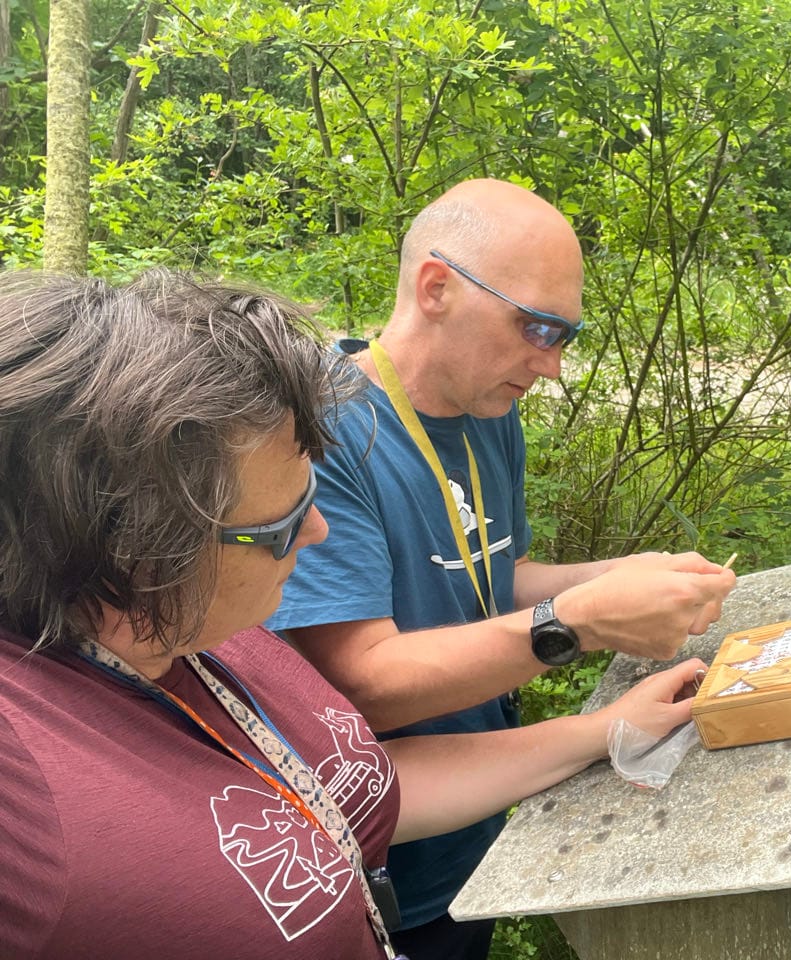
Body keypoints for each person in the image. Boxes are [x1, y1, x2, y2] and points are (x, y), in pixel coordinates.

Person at [0, 270, 707, 960]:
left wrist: (606, 730)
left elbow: (365, 786)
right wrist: (569, 623)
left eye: (309, 497)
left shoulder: (215, 638)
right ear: (131, 544)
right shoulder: (28, 789)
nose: (318, 534)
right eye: (280, 526)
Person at [267, 178, 737, 957]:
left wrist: (624, 574)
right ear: (436, 288)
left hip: (476, 823)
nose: (550, 365)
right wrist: (577, 624)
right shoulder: (322, 430)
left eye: (565, 336)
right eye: (535, 327)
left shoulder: (488, 409)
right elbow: (363, 685)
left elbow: (492, 577)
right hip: (370, 871)